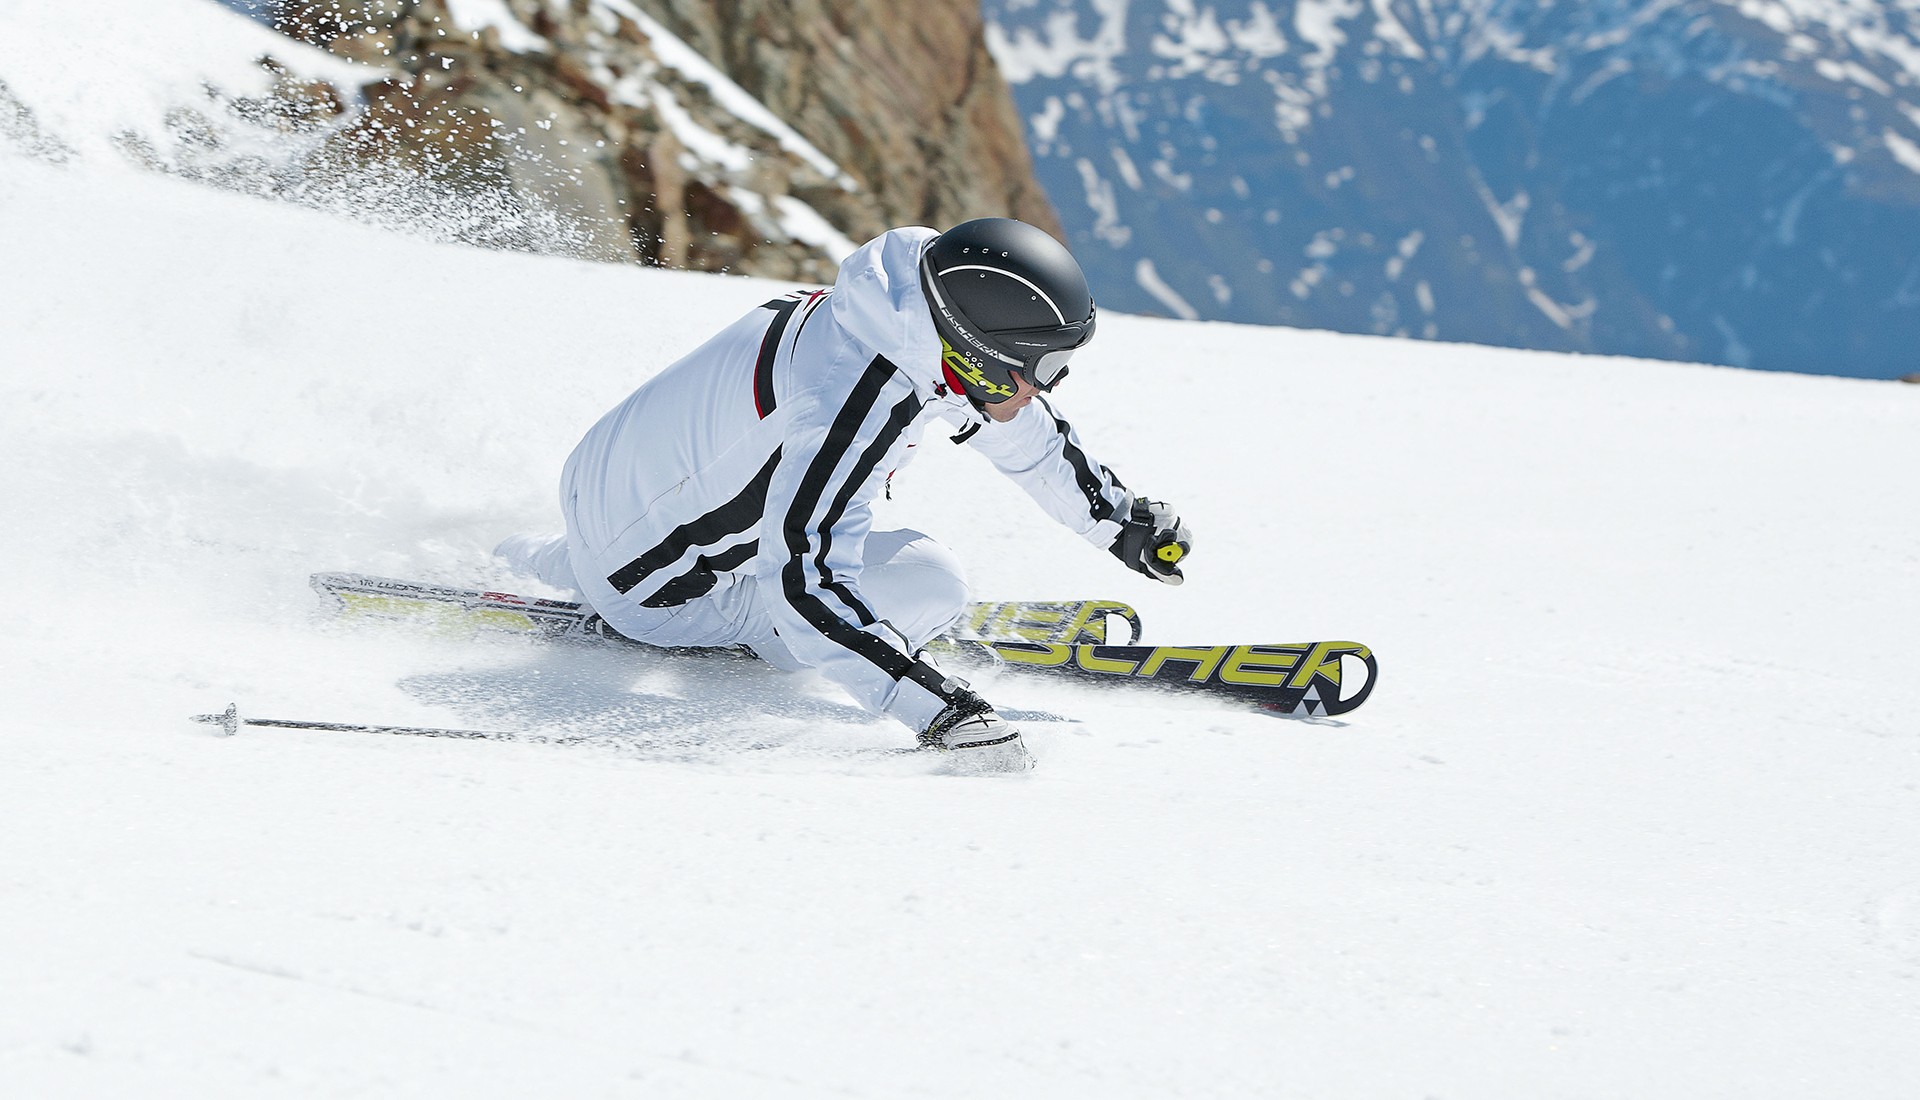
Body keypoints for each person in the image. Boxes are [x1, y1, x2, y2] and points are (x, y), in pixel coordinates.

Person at [497, 218, 1192, 772]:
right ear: (974, 355)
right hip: (653, 594)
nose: (1045, 386)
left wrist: (1117, 520)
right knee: (933, 581)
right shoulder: (851, 405)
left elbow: (1018, 430)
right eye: (1042, 368)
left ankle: (544, 559)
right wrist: (939, 710)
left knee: (832, 538)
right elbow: (802, 578)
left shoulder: (900, 311)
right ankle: (727, 631)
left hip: (601, 498)